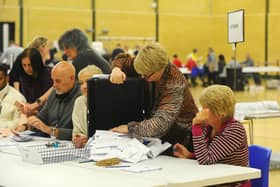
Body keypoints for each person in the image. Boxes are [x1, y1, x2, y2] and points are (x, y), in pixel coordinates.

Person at [110, 43, 198, 154]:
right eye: (140, 74)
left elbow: (160, 125)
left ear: (160, 69)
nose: (143, 78)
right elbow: (122, 60)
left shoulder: (175, 84)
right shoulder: (145, 65)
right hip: (158, 138)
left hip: (181, 140)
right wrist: (116, 69)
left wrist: (129, 128)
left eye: (147, 75)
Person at [173, 85, 250, 186]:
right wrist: (190, 155)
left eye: (205, 108)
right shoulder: (209, 127)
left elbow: (206, 160)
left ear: (220, 113)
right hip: (215, 180)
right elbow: (211, 156)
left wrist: (196, 126)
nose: (201, 112)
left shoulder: (234, 130)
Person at [14, 61, 81, 140]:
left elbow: (81, 133)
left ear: (72, 78)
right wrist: (26, 126)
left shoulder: (81, 98)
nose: (54, 85)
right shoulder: (54, 93)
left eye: (58, 81)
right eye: (53, 80)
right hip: (51, 143)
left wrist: (50, 130)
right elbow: (41, 118)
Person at [72, 65, 103, 148]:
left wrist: (90, 140)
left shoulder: (109, 102)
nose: (84, 86)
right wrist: (77, 139)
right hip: (84, 149)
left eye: (88, 82)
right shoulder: (79, 102)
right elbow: (76, 133)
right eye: (81, 83)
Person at [0, 64, 26, 129]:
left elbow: (19, 123)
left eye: (0, 79)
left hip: (7, 137)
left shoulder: (18, 98)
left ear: (7, 78)